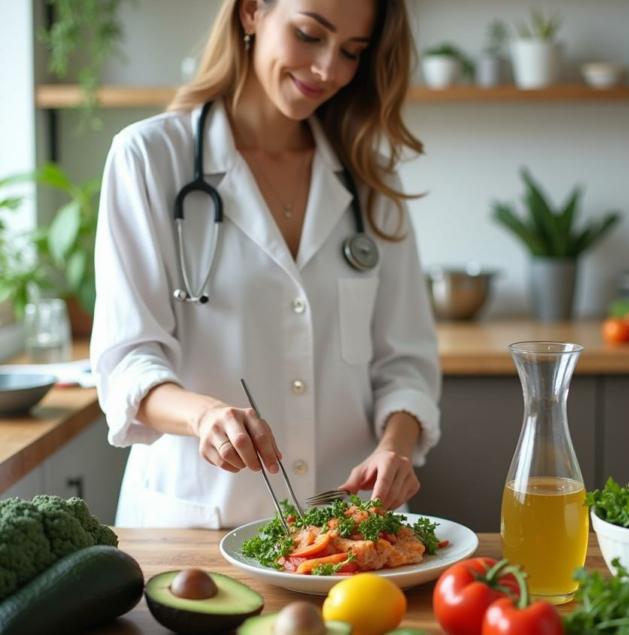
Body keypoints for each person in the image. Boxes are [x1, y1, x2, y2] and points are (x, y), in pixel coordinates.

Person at [90, 0, 441, 529]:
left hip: (351, 529)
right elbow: (128, 364)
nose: (328, 69)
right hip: (197, 528)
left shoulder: (369, 182)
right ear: (252, 11)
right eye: (308, 34)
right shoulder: (148, 158)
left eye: (351, 52)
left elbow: (405, 363)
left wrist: (396, 448)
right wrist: (204, 416)